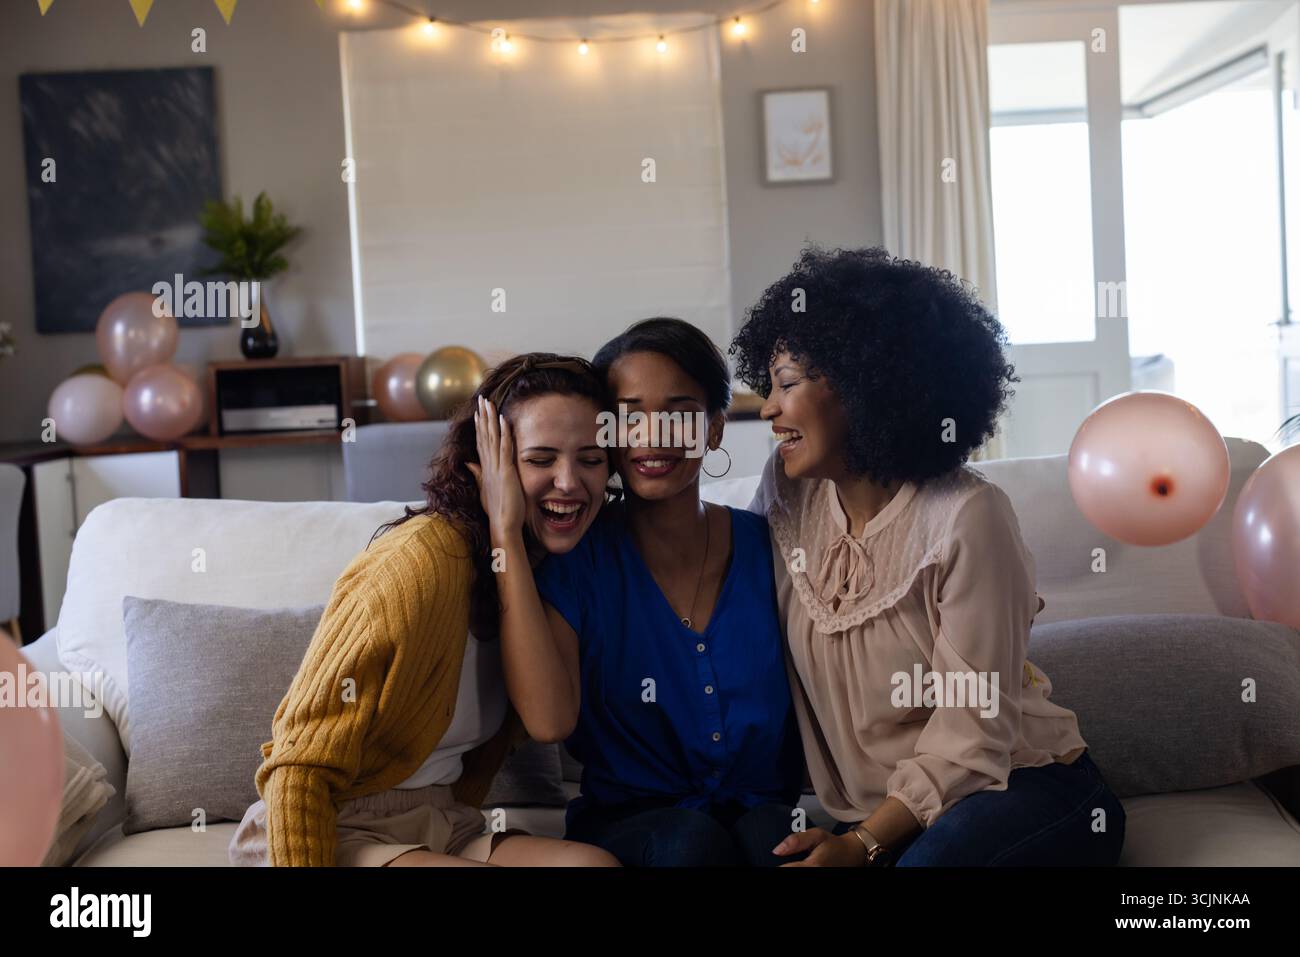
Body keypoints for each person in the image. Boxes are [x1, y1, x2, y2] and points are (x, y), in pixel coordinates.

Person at [730, 246, 1126, 866]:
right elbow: (729, 614)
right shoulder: (789, 492)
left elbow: (975, 731)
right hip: (880, 817)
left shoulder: (969, 516)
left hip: (1019, 788)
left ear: (864, 385)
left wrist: (862, 844)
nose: (769, 408)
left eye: (786, 385)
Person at [229, 354, 620, 867]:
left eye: (590, 460)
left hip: (441, 822)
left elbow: (548, 721)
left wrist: (506, 537)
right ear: (487, 463)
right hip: (332, 823)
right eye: (540, 460)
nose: (569, 482)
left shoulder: (546, 569)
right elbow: (298, 764)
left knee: (593, 866)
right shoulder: (419, 562)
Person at [471, 318, 807, 866]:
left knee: (777, 838)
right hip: (636, 831)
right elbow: (550, 722)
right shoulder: (576, 563)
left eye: (678, 414)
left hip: (761, 816)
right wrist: (504, 530)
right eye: (627, 417)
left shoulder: (769, 547)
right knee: (690, 843)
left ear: (715, 429)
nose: (652, 438)